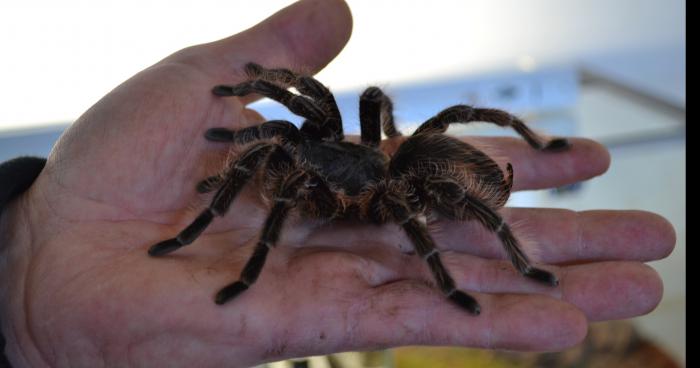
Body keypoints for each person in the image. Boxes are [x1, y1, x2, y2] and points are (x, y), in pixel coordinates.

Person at [0, 0, 675, 366]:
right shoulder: (324, 141)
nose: (290, 150)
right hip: (390, 166)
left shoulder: (360, 186)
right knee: (301, 135)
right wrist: (245, 102)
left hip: (404, 181)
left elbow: (321, 170)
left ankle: (508, 237)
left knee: (432, 146)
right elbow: (295, 105)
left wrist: (467, 271)